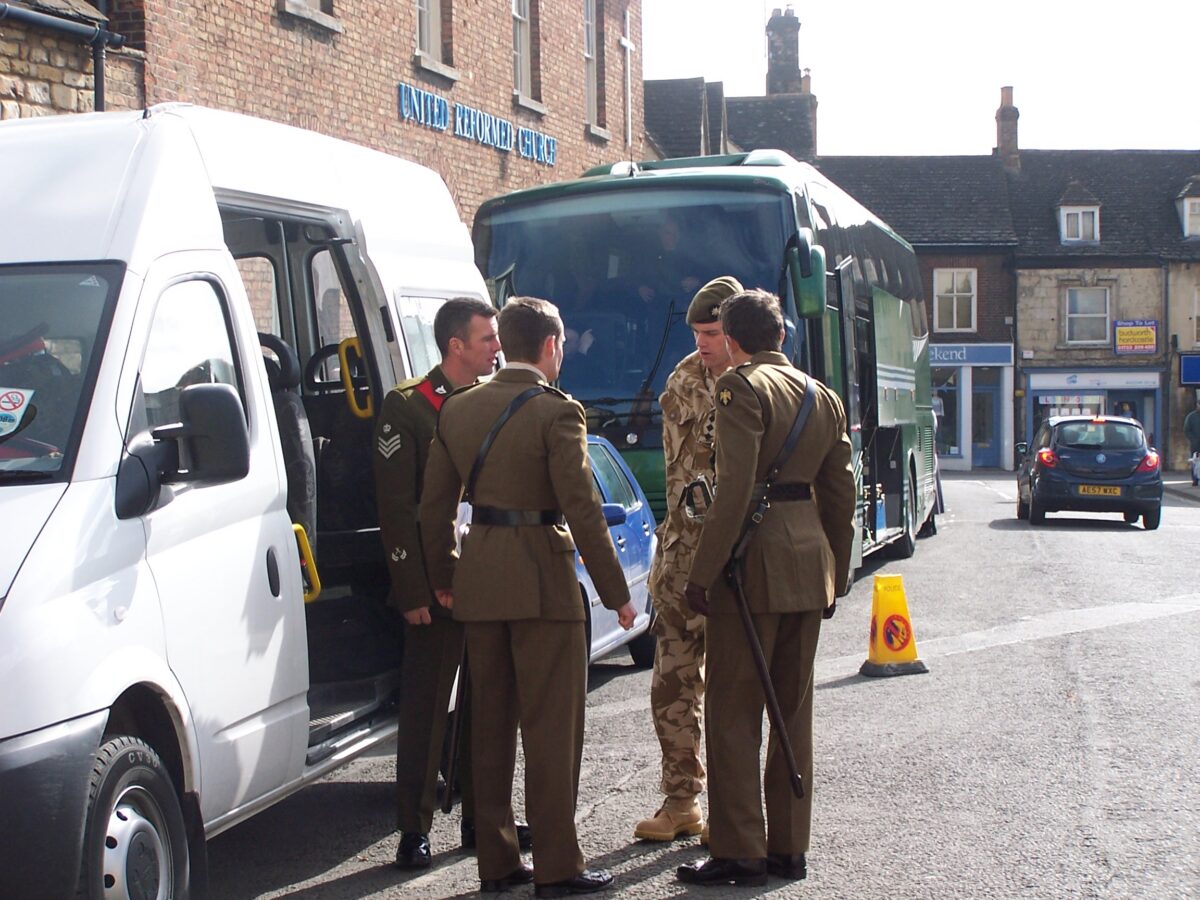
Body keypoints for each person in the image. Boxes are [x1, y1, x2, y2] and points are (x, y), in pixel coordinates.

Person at [419, 297, 637, 897]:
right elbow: (583, 510)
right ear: (550, 346)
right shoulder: (557, 411)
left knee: (488, 728)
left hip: (481, 579)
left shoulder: (458, 408)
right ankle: (559, 866)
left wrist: (445, 574)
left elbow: (434, 508)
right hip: (543, 580)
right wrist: (617, 593)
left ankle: (497, 862)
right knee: (552, 730)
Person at [676, 289, 855, 887]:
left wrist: (702, 574)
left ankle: (739, 850)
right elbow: (841, 492)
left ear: (731, 339)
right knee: (792, 713)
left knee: (733, 712)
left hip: (752, 565)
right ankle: (788, 847)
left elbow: (734, 491)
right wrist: (838, 571)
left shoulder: (739, 387)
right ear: (782, 335)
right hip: (809, 565)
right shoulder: (822, 396)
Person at [373, 297, 515, 870]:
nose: (498, 348)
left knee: (488, 706)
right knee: (426, 712)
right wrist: (414, 591)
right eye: (487, 339)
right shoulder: (408, 407)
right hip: (433, 586)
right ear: (456, 346)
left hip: (485, 578)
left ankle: (484, 820)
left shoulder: (495, 399)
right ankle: (414, 828)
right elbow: (396, 509)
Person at [632, 276, 742, 844]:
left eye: (713, 333)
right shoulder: (681, 379)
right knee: (671, 688)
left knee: (731, 693)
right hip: (680, 563)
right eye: (697, 332)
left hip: (733, 564)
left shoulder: (757, 384)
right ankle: (681, 803)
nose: (702, 343)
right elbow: (679, 477)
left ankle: (731, 809)